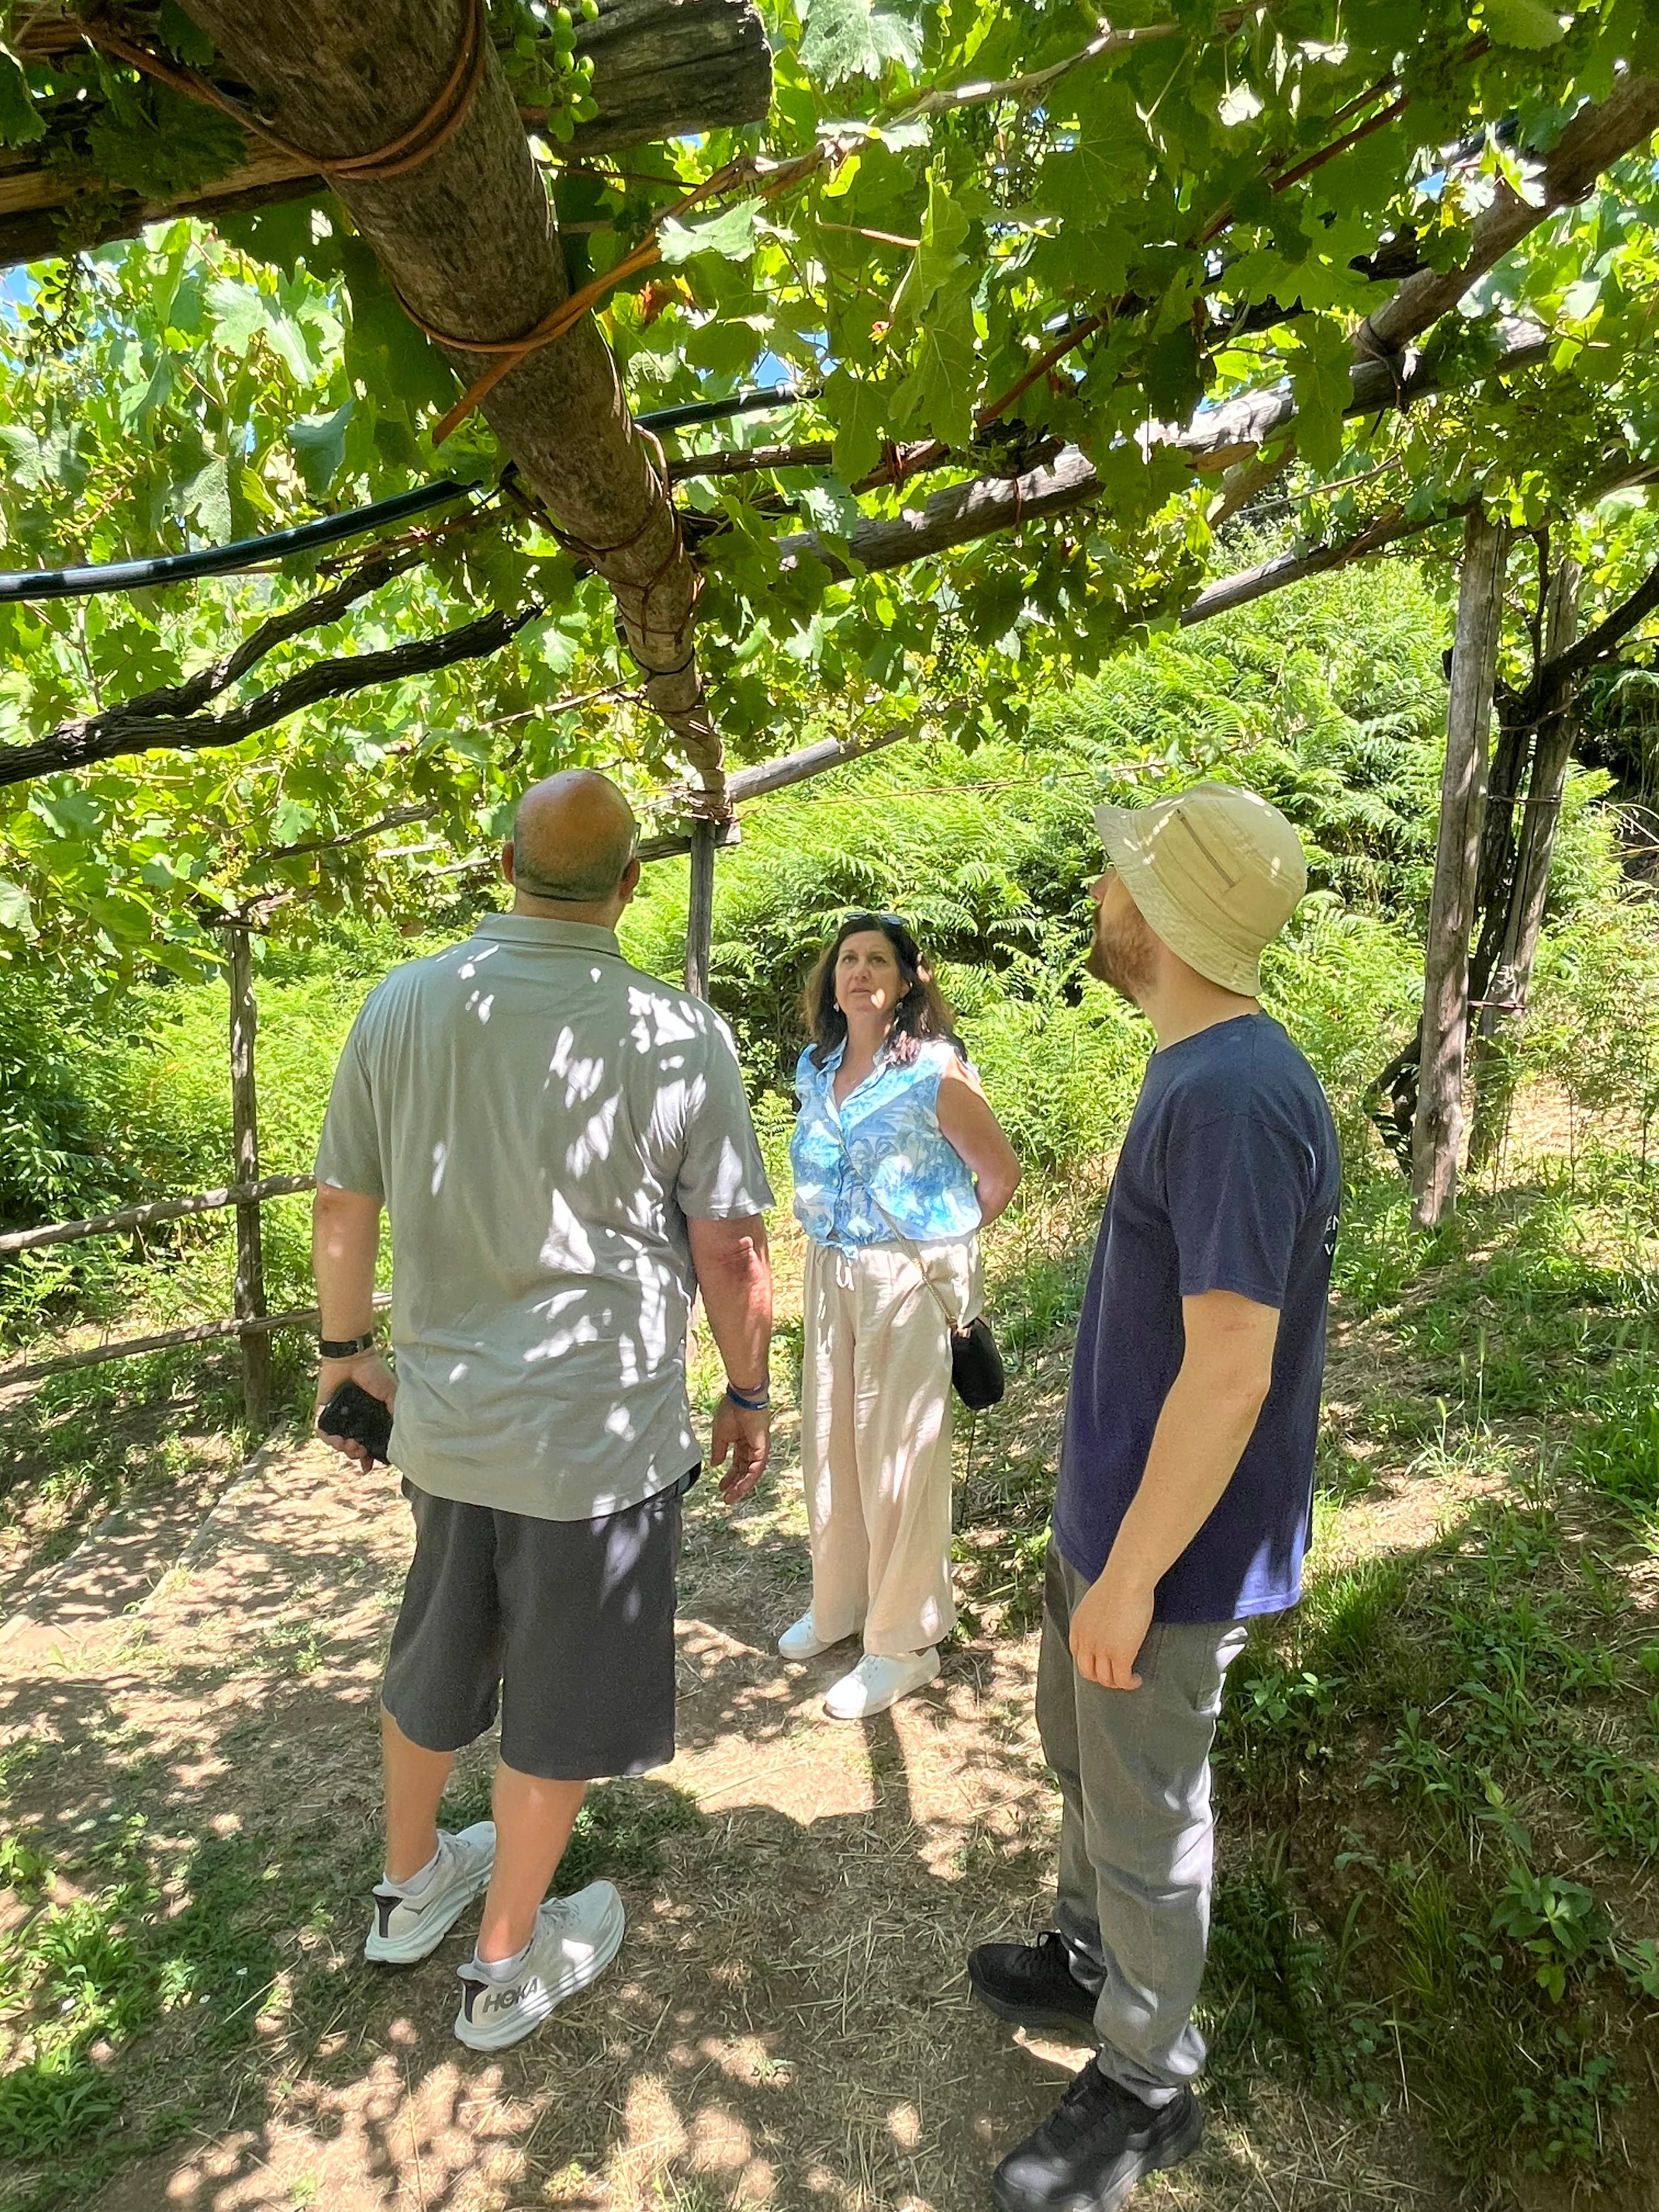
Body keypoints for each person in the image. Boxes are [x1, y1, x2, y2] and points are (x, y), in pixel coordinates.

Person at [311, 769, 775, 2052]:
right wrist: (748, 1389)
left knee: (437, 1646)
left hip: (447, 1420)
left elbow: (343, 1207)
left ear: (501, 861)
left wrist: (346, 1354)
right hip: (598, 1434)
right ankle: (507, 1958)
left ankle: (410, 1888)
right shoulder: (676, 1032)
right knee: (561, 1696)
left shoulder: (403, 1003)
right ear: (631, 887)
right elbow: (730, 1249)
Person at [967, 783, 1340, 2212]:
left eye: (1123, 875)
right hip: (1121, 1532)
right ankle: (1085, 1958)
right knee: (1090, 1771)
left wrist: (1130, 1577)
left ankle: (1147, 2081)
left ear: (1163, 913)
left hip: (1169, 1562)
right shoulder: (1195, 1065)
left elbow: (1234, 1371)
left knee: (1146, 1812)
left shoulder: (1238, 1096)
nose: (1102, 891)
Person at [782, 911, 1021, 1720]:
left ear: (909, 978)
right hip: (830, 1269)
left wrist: (941, 1246)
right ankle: (842, 1603)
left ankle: (904, 1642)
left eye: (877, 959)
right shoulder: (816, 1069)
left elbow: (998, 1174)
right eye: (847, 958)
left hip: (906, 1274)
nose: (859, 972)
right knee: (830, 1442)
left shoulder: (935, 1070)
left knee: (899, 1458)